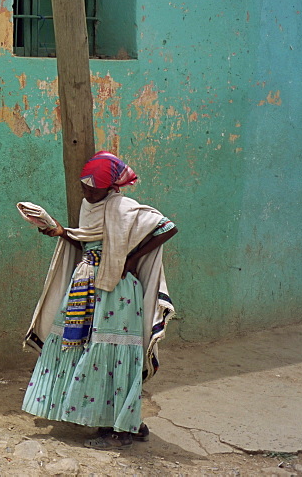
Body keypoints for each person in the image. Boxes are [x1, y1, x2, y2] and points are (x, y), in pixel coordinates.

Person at [22, 151, 178, 449]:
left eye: (94, 188)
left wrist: (130, 260)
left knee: (111, 353)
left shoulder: (124, 207)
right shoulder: (89, 207)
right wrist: (58, 231)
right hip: (87, 285)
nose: (88, 192)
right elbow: (88, 240)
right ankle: (124, 422)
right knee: (82, 347)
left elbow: (168, 227)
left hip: (117, 292)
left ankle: (118, 431)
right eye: (84, 187)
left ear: (110, 187)